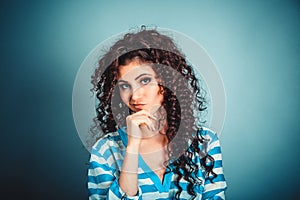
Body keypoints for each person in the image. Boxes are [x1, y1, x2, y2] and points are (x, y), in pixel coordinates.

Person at [88, 27, 227, 200]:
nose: (135, 96)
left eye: (145, 81)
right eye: (125, 86)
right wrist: (132, 148)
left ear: (167, 82)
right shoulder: (104, 151)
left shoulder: (205, 143)